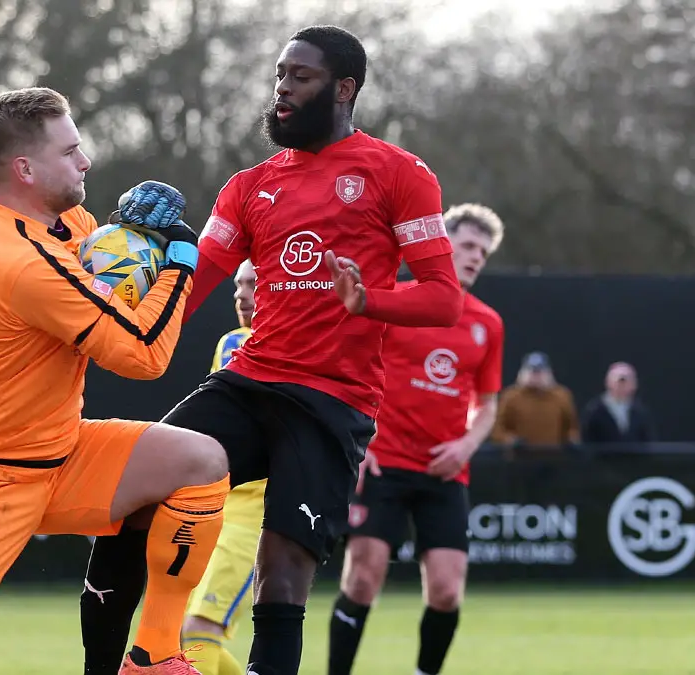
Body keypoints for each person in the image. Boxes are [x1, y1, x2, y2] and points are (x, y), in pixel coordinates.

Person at [80, 25, 463, 675]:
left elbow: (443, 298)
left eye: (301, 76)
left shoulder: (400, 174)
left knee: (282, 572)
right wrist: (107, 311)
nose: (283, 87)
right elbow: (194, 283)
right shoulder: (248, 184)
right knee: (129, 495)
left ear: (344, 89)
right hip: (249, 382)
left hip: (330, 403)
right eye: (280, 74)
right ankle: (120, 666)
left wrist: (369, 300)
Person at [0, 87, 231, 675]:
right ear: (24, 169)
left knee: (199, 461)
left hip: (55, 453)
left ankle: (154, 654)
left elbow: (107, 266)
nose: (85, 161)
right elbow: (142, 354)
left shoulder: (67, 224)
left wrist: (136, 235)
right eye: (70, 150)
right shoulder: (18, 259)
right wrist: (181, 259)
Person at [326, 204, 506, 675]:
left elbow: (487, 406)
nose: (476, 257)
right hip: (383, 464)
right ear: (444, 246)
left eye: (483, 252)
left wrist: (466, 445)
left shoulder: (489, 323)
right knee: (363, 580)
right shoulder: (396, 299)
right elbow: (350, 372)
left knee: (447, 592)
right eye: (467, 245)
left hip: (444, 472)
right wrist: (357, 442)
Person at [180, 260, 261, 675]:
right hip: (215, 503)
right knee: (187, 634)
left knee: (197, 632)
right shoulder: (232, 341)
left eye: (254, 284)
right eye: (238, 285)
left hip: (256, 514)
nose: (241, 295)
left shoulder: (299, 348)